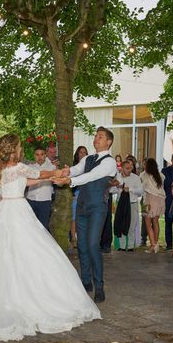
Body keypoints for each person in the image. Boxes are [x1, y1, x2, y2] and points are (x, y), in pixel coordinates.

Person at [0, 134, 99, 341]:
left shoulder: (2, 168)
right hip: (17, 210)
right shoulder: (18, 166)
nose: (21, 149)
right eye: (19, 146)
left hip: (4, 209)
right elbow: (38, 172)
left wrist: (48, 178)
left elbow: (28, 181)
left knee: (3, 254)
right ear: (14, 149)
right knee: (29, 250)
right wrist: (58, 172)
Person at [54, 127, 118, 303]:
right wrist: (65, 172)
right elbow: (76, 169)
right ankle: (85, 282)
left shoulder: (110, 162)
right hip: (82, 207)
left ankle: (99, 286)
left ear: (109, 142)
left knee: (92, 245)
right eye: (96, 136)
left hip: (98, 207)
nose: (96, 139)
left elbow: (91, 176)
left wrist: (70, 181)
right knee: (81, 246)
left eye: (101, 136)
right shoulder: (88, 158)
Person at [111, 159, 143, 251]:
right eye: (127, 168)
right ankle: (122, 246)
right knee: (120, 224)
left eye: (130, 168)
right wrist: (116, 187)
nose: (129, 170)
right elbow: (112, 191)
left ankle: (130, 246)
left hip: (132, 203)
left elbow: (140, 191)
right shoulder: (118, 178)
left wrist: (130, 189)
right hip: (120, 204)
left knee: (131, 225)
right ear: (122, 168)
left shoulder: (135, 177)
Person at [139, 158, 166, 253]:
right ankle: (155, 243)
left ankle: (153, 245)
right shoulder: (161, 175)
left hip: (148, 200)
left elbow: (141, 187)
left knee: (147, 223)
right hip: (160, 200)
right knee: (155, 222)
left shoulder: (144, 175)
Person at [26, 147, 55, 230]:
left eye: (42, 154)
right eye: (37, 155)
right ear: (34, 156)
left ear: (45, 155)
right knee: (30, 226)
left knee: (43, 227)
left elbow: (57, 182)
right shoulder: (29, 167)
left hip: (45, 202)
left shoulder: (51, 168)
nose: (39, 157)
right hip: (31, 201)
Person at [161, 153, 173, 251]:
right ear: (171, 160)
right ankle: (169, 245)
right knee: (168, 222)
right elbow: (162, 185)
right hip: (168, 199)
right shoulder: (164, 171)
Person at [70, 146, 89, 249]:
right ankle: (73, 239)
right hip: (76, 194)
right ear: (77, 154)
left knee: (84, 217)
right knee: (74, 218)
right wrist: (72, 194)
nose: (82, 154)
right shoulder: (74, 167)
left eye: (84, 152)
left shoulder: (89, 167)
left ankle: (83, 239)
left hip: (86, 194)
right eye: (80, 152)